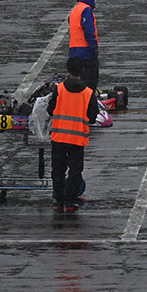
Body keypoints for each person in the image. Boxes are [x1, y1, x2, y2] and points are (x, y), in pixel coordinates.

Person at [47, 57, 99, 213]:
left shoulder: (59, 89)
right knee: (75, 170)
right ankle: (70, 202)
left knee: (58, 169)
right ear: (82, 71)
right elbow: (92, 117)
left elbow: (50, 110)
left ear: (67, 70)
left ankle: (58, 200)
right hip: (77, 139)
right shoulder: (89, 93)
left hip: (59, 137)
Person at [69, 0, 99, 90]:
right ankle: (87, 105)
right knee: (90, 82)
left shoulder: (74, 11)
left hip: (73, 51)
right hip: (85, 52)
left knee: (75, 82)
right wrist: (94, 47)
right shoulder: (86, 10)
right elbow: (89, 31)